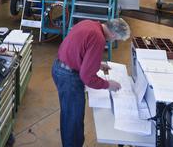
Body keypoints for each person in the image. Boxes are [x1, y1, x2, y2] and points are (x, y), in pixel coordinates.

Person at [51, 18, 131, 147]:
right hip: (68, 77)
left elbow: (79, 49)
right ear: (114, 35)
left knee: (69, 114)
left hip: (60, 67)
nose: (113, 41)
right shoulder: (98, 38)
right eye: (116, 39)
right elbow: (87, 77)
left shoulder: (90, 24)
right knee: (73, 119)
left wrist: (96, 64)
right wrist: (108, 84)